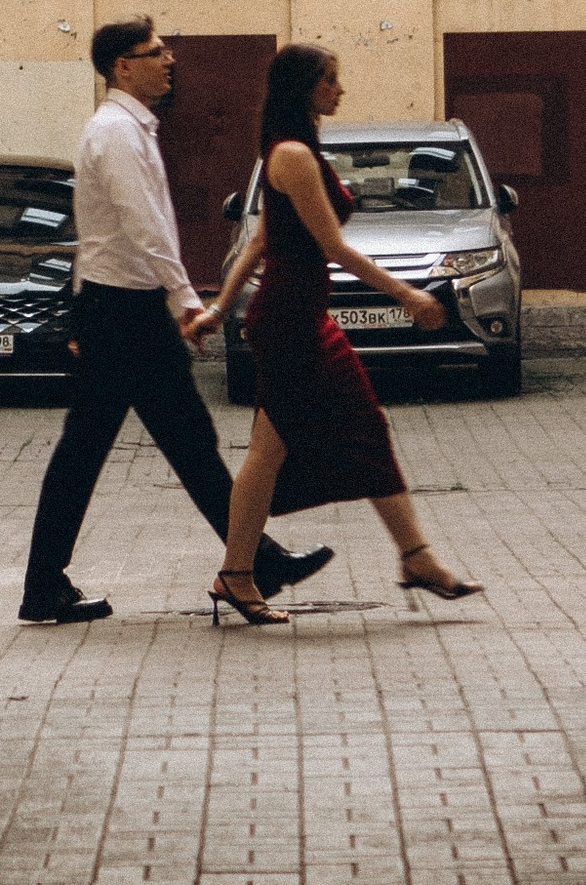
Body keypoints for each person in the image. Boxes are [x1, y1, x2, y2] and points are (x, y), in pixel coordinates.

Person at [16, 17, 337, 623]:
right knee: (141, 445)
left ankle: (250, 561)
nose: (169, 61)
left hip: (121, 309)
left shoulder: (131, 128)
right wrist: (188, 299)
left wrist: (177, 300)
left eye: (166, 51)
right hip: (121, 314)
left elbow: (146, 230)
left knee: (155, 443)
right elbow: (145, 229)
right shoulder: (114, 133)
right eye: (154, 53)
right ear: (122, 68)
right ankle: (251, 562)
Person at [203, 43, 483, 624]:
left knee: (306, 441)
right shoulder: (293, 156)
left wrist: (220, 307)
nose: (340, 89)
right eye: (331, 80)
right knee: (274, 450)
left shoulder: (296, 152)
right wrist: (406, 294)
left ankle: (412, 557)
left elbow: (260, 240)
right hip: (291, 323)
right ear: (306, 87)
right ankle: (239, 573)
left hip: (299, 319)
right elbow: (330, 247)